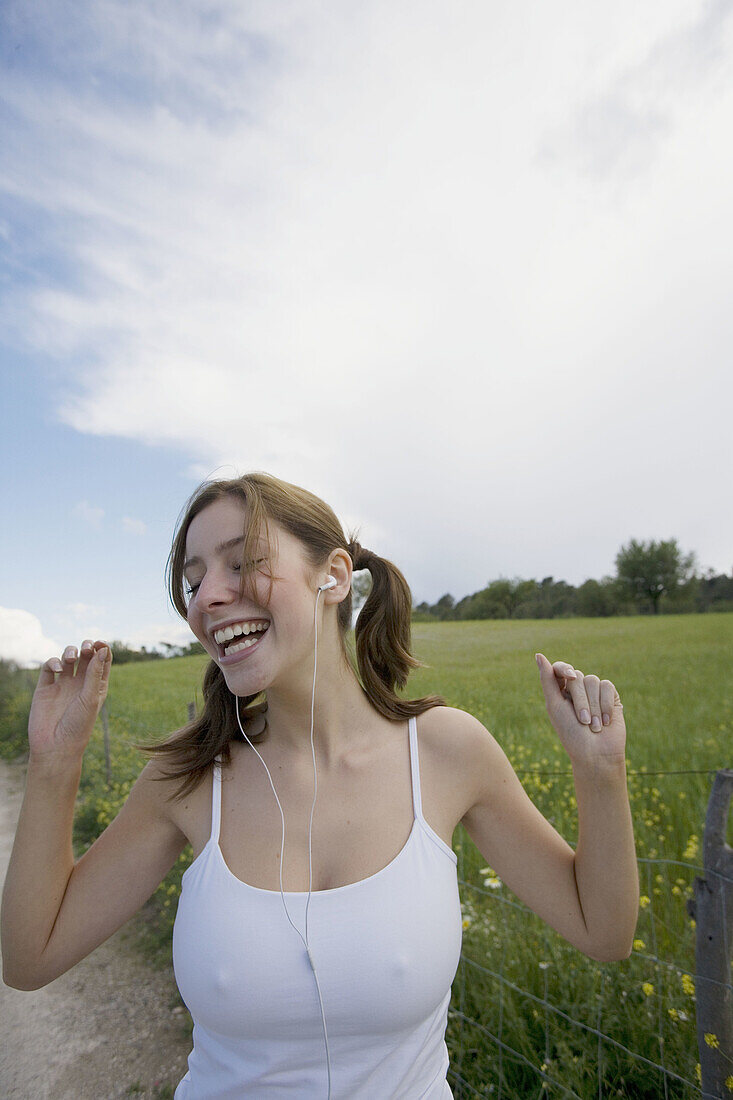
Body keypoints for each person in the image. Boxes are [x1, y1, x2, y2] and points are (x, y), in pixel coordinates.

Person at [1, 472, 639, 1099]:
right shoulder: (188, 781)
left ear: (332, 577)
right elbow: (31, 960)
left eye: (241, 562)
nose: (207, 598)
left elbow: (603, 932)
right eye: (193, 582)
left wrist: (601, 770)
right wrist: (56, 765)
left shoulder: (448, 752)